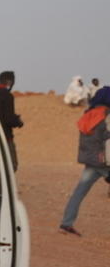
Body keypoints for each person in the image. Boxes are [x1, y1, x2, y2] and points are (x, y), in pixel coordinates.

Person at [59, 86, 110, 236]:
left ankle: (66, 224)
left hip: (90, 162)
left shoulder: (87, 114)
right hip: (104, 162)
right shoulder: (106, 115)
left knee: (79, 193)